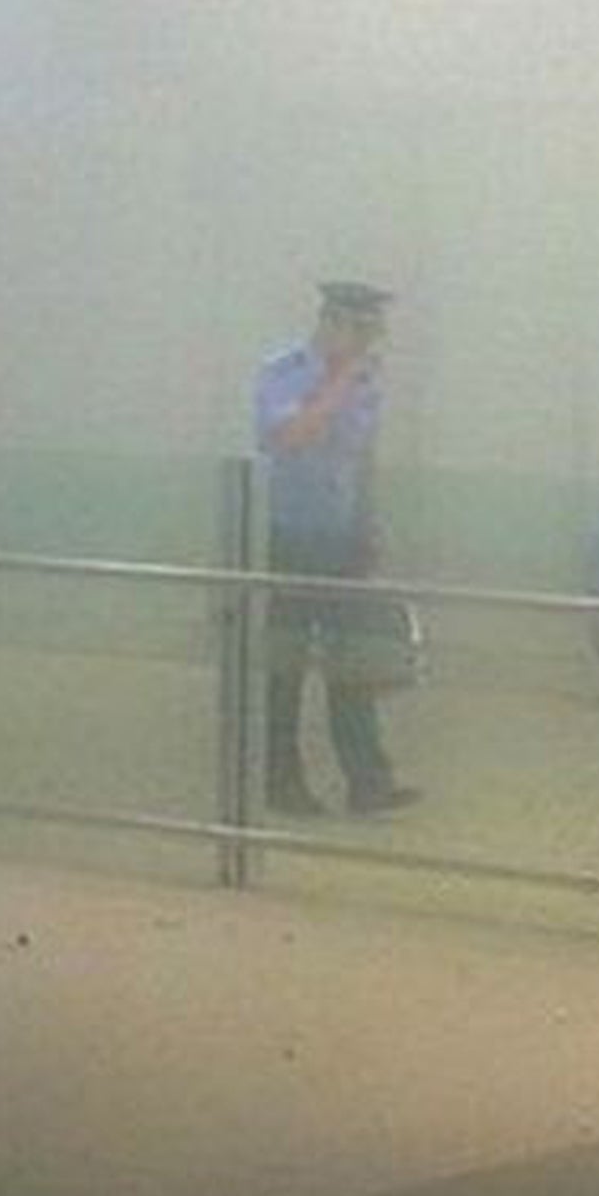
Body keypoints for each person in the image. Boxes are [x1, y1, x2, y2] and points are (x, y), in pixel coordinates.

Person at [254, 281, 422, 818]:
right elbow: (291, 436)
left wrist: (370, 526)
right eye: (364, 330)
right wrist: (340, 378)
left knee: (355, 661)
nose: (373, 342)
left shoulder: (366, 381)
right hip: (294, 538)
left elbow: (360, 457)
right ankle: (282, 784)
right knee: (287, 665)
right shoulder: (282, 370)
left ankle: (368, 781)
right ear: (334, 323)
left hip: (345, 538)